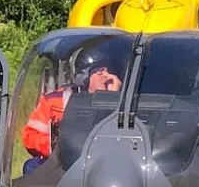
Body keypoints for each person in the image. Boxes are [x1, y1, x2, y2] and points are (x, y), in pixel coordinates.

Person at [21, 42, 124, 174]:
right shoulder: (54, 101)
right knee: (32, 166)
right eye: (100, 70)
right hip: (62, 166)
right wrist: (60, 148)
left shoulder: (123, 102)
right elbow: (30, 137)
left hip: (104, 168)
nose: (106, 76)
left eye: (109, 70)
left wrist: (112, 99)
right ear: (82, 75)